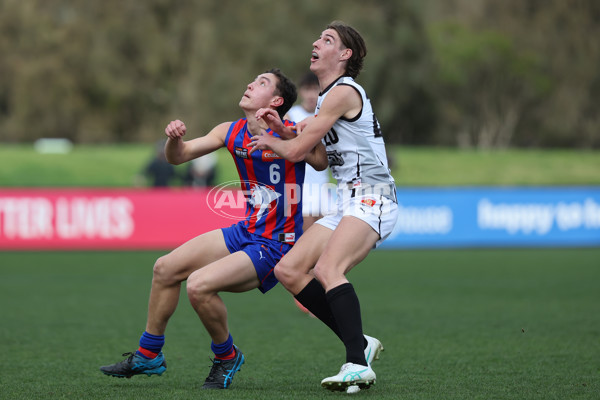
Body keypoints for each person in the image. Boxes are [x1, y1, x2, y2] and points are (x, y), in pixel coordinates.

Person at [99, 68, 327, 390]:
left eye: (261, 83)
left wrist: (284, 136)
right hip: (246, 230)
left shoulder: (293, 129)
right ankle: (149, 353)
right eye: (253, 79)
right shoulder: (229, 131)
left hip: (276, 243)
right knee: (165, 268)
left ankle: (227, 356)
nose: (249, 84)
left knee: (198, 286)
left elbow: (320, 161)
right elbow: (178, 158)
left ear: (276, 100)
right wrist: (173, 139)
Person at [249, 21, 399, 392]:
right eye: (319, 37)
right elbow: (317, 159)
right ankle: (360, 344)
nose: (316, 43)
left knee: (328, 268)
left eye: (327, 40)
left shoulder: (343, 92)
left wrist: (270, 139)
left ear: (344, 55)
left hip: (374, 196)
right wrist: (284, 133)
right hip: (349, 200)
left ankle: (356, 363)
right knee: (290, 270)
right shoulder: (328, 97)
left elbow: (298, 153)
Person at [286, 71, 333, 231]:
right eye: (307, 89)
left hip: (322, 184)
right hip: (302, 185)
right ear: (301, 92)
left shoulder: (326, 116)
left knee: (327, 239)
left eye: (315, 89)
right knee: (305, 238)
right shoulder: (292, 115)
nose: (312, 94)